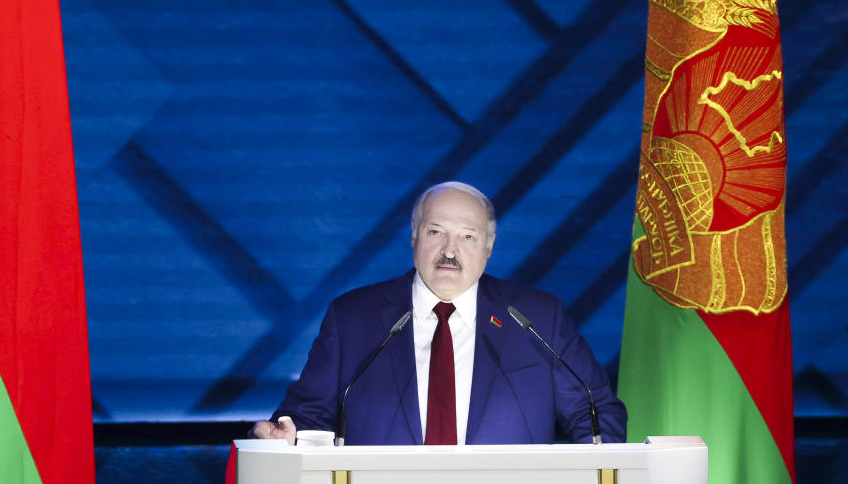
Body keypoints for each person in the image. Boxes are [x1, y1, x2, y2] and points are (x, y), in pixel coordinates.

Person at [253, 181, 627, 445]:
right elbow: (307, 418)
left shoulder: (537, 318)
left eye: (468, 236)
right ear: (414, 236)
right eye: (436, 232)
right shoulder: (352, 318)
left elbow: (594, 413)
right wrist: (288, 437)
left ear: (489, 247)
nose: (450, 250)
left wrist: (592, 479)